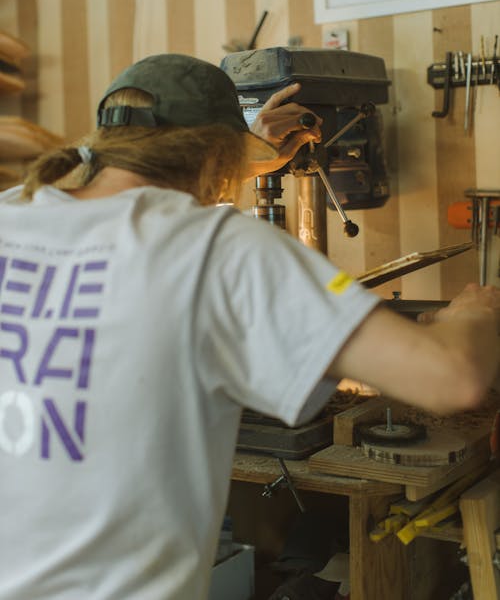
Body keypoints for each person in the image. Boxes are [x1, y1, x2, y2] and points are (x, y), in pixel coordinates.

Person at [0, 53, 498, 600]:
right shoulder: (218, 246)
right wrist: (472, 316)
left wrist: (243, 157)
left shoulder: (12, 215)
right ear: (216, 155)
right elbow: (451, 377)